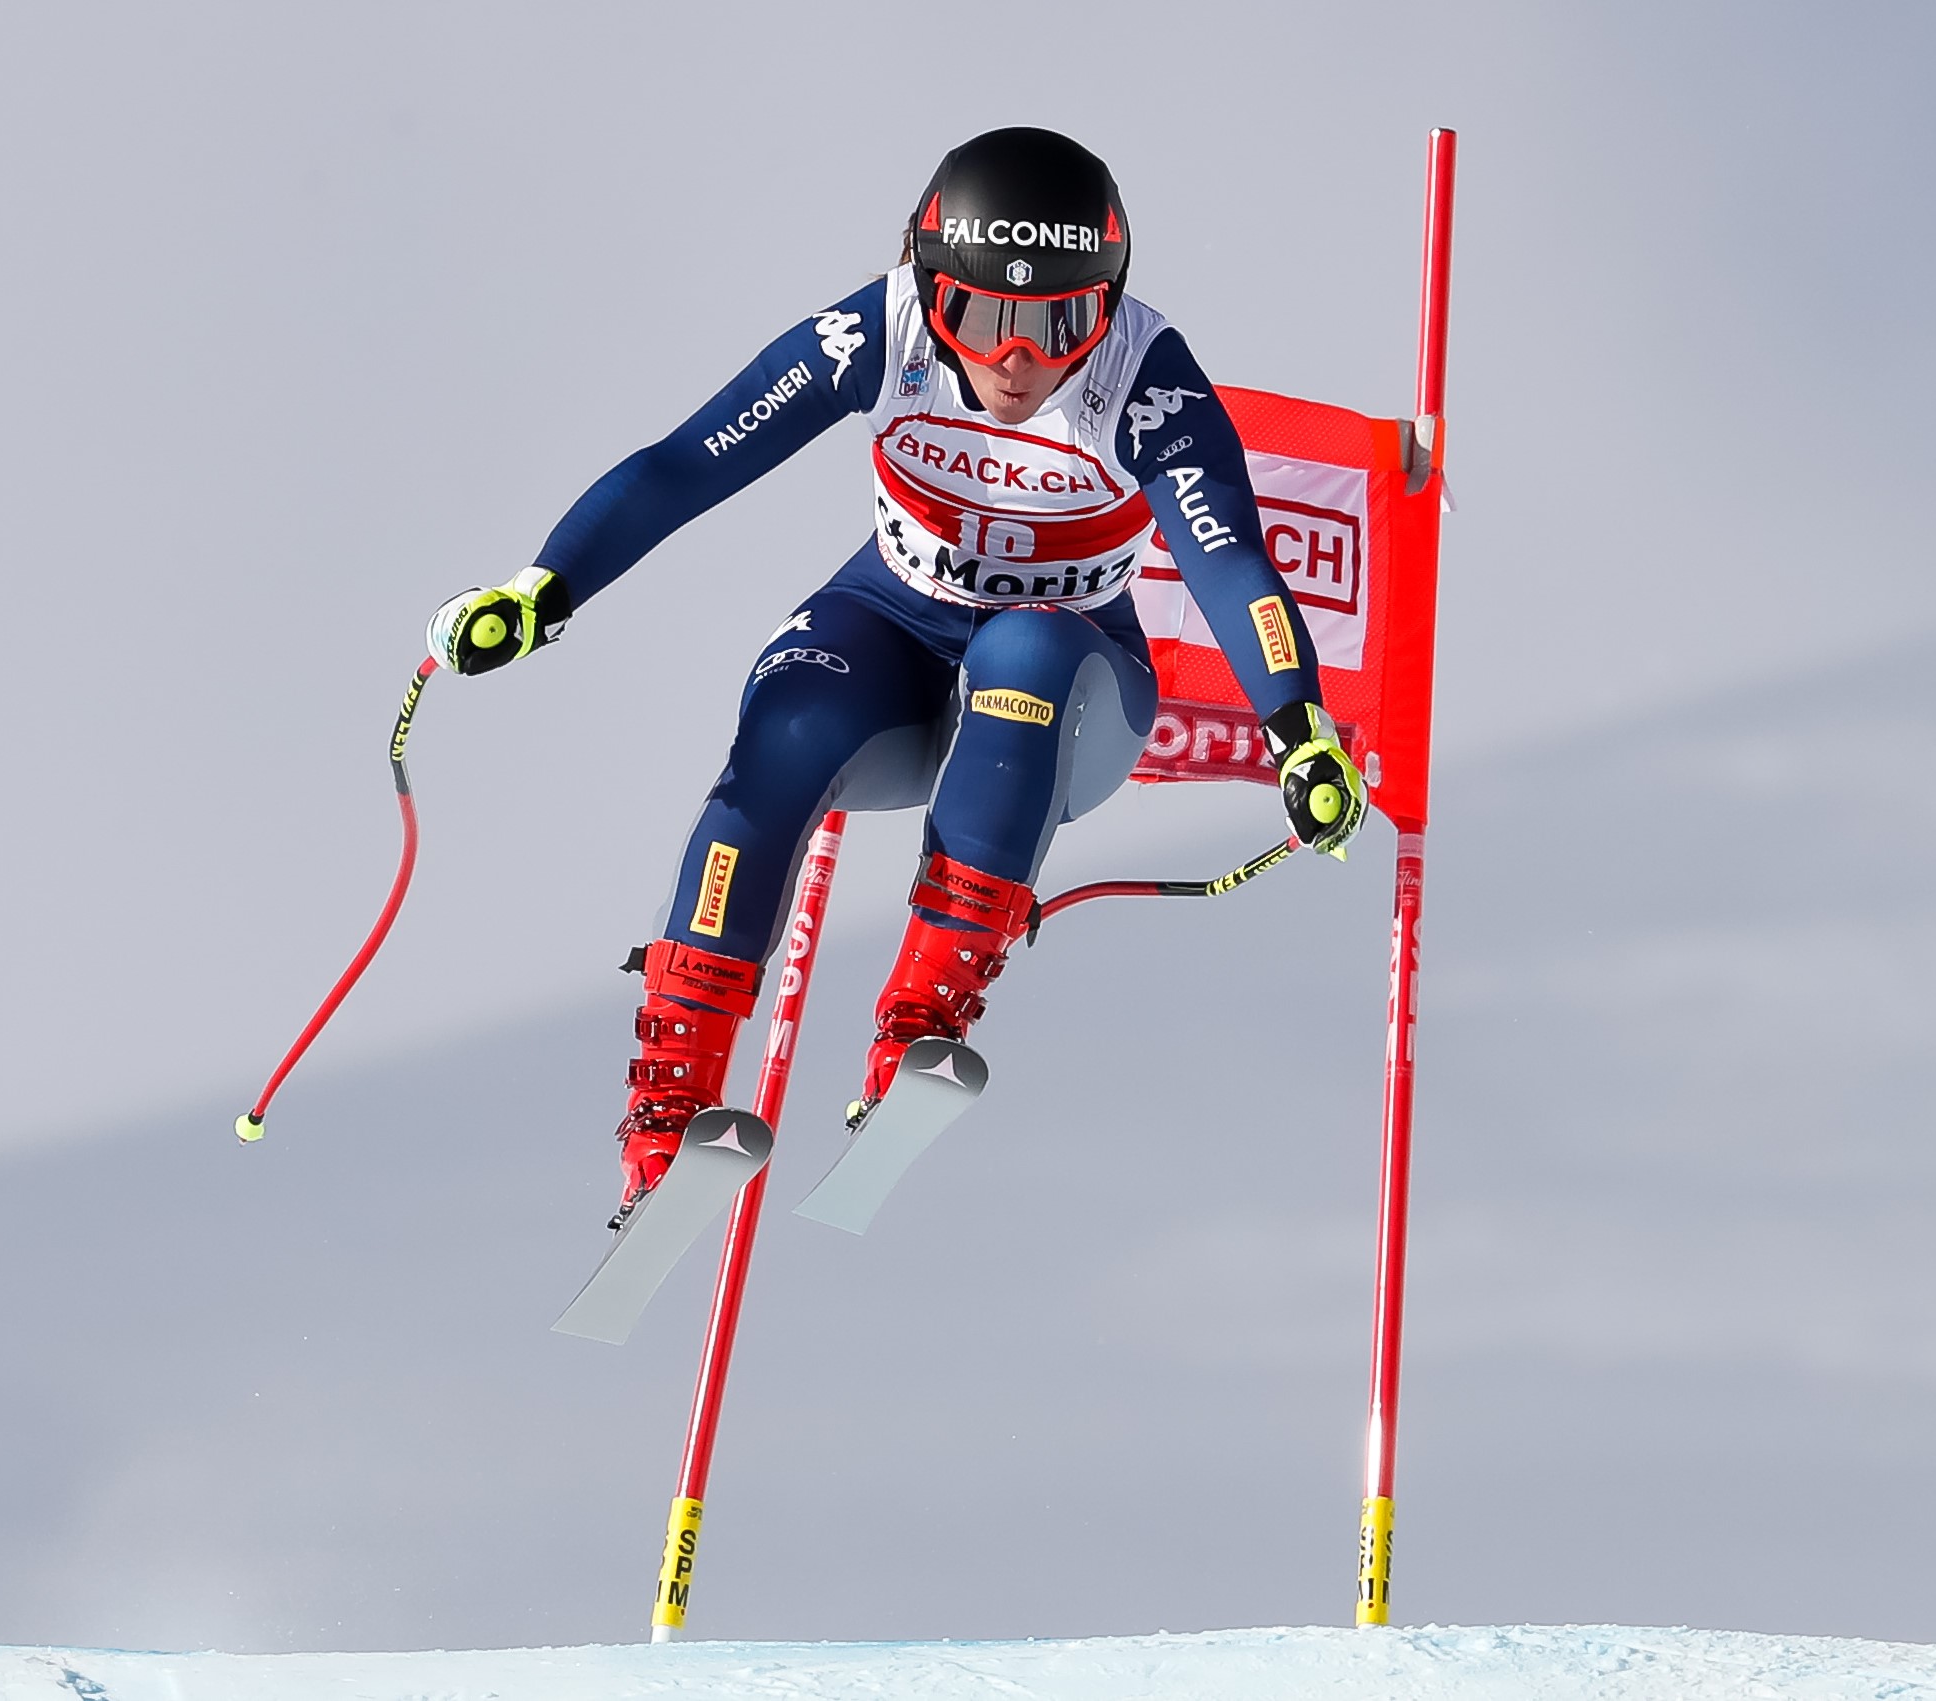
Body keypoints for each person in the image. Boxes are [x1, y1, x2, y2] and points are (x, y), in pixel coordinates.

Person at [426, 128, 1366, 1216]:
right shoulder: (876, 332)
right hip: (890, 637)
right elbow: (686, 463)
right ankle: (670, 1102)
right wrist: (544, 589)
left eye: (1060, 321)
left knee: (1027, 638)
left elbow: (1227, 559)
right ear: (929, 290)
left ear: (1106, 307)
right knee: (788, 721)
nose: (1017, 358)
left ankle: (918, 1024)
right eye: (979, 315)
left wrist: (1298, 727)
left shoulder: (1142, 378)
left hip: (1072, 693)